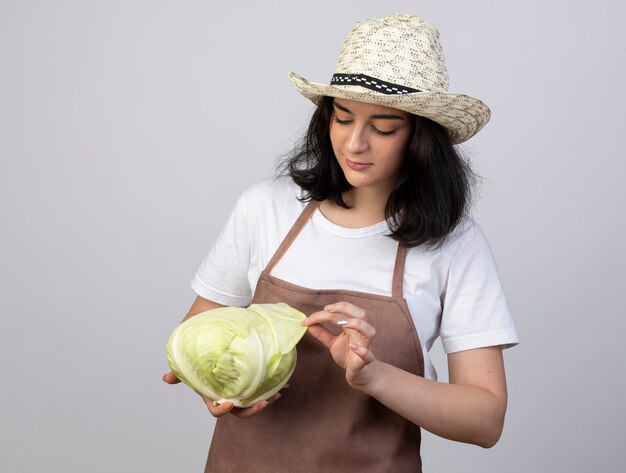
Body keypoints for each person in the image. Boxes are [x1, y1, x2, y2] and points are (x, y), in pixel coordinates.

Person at [163, 14, 518, 472]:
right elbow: (196, 330)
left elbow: (484, 420)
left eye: (383, 128)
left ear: (421, 136)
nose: (354, 143)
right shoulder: (264, 209)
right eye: (342, 117)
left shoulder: (456, 245)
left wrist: (372, 375)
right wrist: (216, 388)